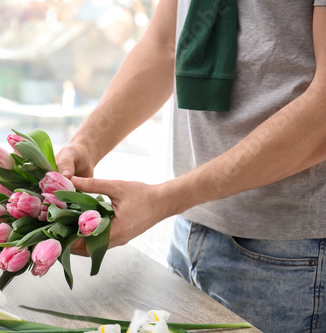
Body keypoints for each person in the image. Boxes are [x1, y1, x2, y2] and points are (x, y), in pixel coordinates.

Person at [55, 0, 326, 332]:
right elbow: (166, 44)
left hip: (291, 254)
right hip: (190, 228)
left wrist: (164, 200)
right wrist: (86, 143)